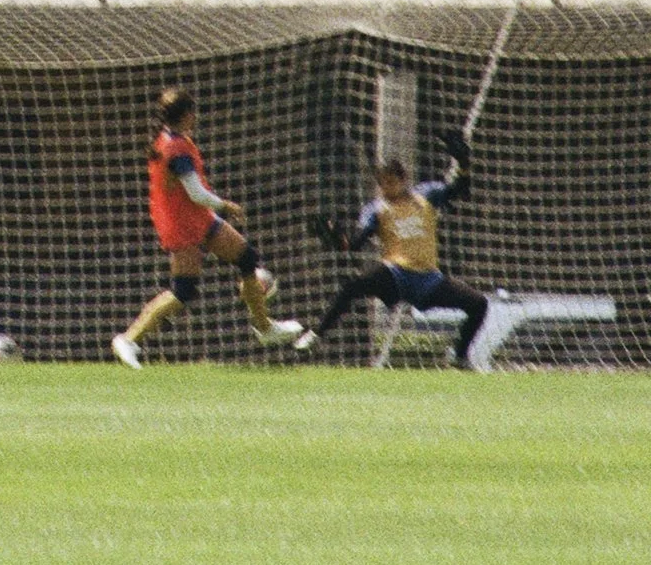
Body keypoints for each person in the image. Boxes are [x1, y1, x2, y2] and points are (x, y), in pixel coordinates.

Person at [112, 88, 313, 367]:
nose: (196, 115)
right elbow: (196, 193)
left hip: (197, 217)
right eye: (192, 110)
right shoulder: (175, 148)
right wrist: (226, 206)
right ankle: (129, 339)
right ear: (186, 115)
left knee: (247, 259)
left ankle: (265, 327)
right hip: (182, 223)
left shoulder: (171, 139)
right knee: (183, 290)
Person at [307, 136, 489, 369]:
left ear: (404, 180)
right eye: (382, 184)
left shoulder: (427, 195)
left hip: (428, 279)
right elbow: (355, 243)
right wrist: (339, 240)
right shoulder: (376, 209)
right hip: (396, 274)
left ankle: (459, 356)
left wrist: (464, 163)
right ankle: (316, 333)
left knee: (479, 304)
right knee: (353, 286)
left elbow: (461, 191)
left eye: (391, 182)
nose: (387, 189)